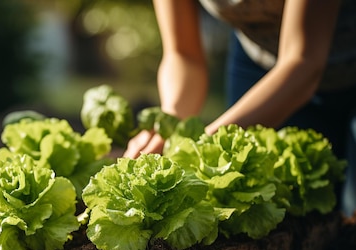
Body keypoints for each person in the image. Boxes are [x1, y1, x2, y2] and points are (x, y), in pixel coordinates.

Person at [124, 0, 356, 216]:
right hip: (260, 58)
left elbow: (303, 61)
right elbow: (183, 54)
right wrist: (172, 120)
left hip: (322, 61)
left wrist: (206, 142)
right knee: (288, 213)